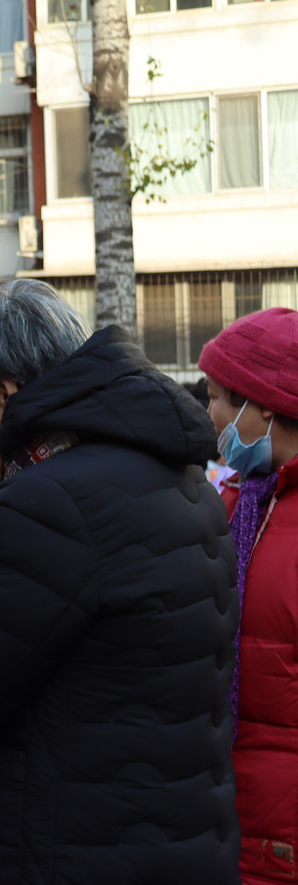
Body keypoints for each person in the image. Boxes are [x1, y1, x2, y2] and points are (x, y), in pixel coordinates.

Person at [0, 279, 239, 884]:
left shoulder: (49, 500)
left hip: (71, 849)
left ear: (3, 393)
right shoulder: (175, 476)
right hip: (166, 833)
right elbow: (101, 626)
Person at [198, 307, 298, 885]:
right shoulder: (238, 499)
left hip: (282, 827)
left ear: (263, 406)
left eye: (216, 397)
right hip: (225, 804)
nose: (210, 414)